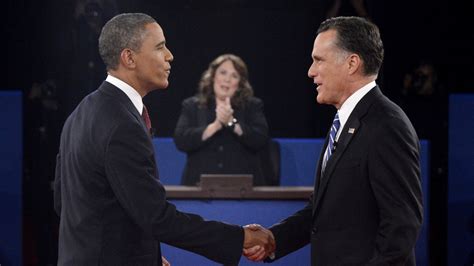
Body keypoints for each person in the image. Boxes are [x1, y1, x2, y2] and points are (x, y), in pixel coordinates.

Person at [53, 13, 274, 265]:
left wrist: (145, 255)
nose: (170, 55)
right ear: (129, 58)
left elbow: (65, 203)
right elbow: (156, 216)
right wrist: (240, 237)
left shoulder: (81, 112)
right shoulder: (121, 124)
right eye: (160, 47)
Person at [244, 16, 423, 265]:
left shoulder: (387, 125)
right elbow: (325, 211)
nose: (311, 71)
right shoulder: (347, 120)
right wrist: (275, 238)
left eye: (319, 60)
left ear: (351, 63)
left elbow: (401, 225)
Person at [174, 54, 270, 186]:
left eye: (234, 76)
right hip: (198, 187)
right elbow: (181, 140)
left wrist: (231, 122)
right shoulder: (192, 106)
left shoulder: (252, 106)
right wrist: (216, 125)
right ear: (213, 76)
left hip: (244, 189)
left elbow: (261, 139)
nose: (227, 79)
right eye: (223, 73)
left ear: (240, 83)